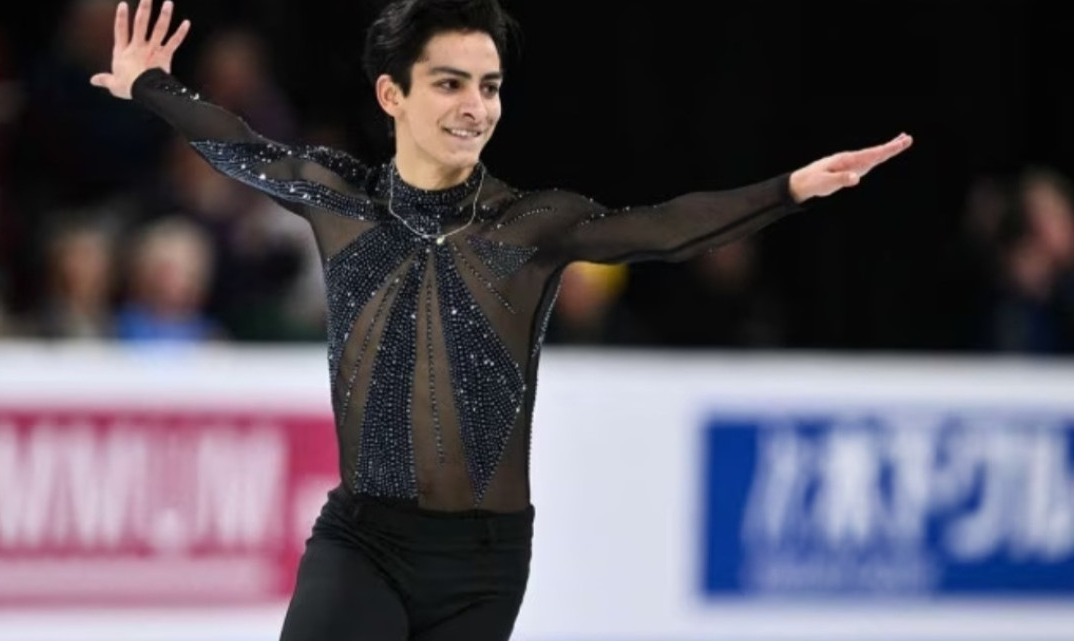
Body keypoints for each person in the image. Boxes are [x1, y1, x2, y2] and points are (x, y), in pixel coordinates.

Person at [90, 0, 913, 638]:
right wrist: (148, 85)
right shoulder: (343, 202)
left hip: (483, 563)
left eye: (489, 87)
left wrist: (790, 189)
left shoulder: (532, 227)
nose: (475, 106)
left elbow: (663, 230)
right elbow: (236, 144)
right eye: (450, 83)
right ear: (394, 94)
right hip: (363, 540)